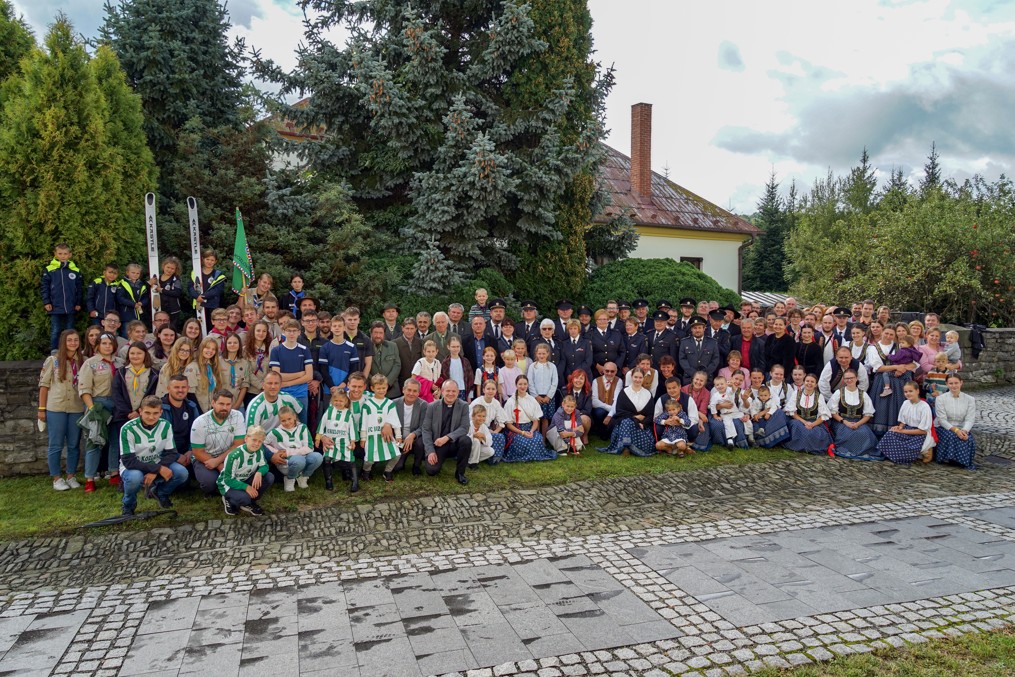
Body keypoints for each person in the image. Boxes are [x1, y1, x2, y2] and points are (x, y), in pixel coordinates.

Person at [119, 396, 189, 515]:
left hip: (157, 462)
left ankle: (160, 492)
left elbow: (172, 453)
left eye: (155, 413)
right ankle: (128, 504)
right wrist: (158, 469)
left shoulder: (166, 425)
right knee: (134, 478)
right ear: (140, 411)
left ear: (161, 412)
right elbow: (129, 461)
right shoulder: (128, 428)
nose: (151, 417)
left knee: (182, 473)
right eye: (147, 413)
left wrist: (155, 470)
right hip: (134, 466)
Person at [38, 329, 85, 490]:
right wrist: (41, 409)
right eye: (69, 340)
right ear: (63, 342)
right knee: (56, 444)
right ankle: (57, 478)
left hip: (76, 407)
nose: (73, 343)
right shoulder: (53, 360)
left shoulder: (83, 361)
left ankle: (71, 476)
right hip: (56, 407)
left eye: (76, 340)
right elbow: (44, 386)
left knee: (74, 444)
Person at [110, 342, 160, 479]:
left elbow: (153, 394)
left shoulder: (153, 374)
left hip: (145, 415)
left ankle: (146, 473)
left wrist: (139, 412)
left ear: (145, 355)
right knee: (125, 446)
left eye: (139, 353)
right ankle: (124, 475)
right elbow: (117, 394)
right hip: (124, 416)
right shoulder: (121, 372)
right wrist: (128, 412)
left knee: (144, 445)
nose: (135, 356)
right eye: (132, 353)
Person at [79, 331, 118, 492]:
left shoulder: (120, 362)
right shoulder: (90, 363)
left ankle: (114, 472)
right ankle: (90, 478)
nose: (108, 346)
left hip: (116, 404)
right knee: (95, 440)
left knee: (115, 440)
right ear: (97, 346)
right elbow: (84, 389)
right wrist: (92, 409)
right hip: (98, 404)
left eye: (110, 343)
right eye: (104, 343)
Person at [190, 390, 246, 495]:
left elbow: (238, 444)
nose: (225, 407)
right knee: (209, 482)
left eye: (228, 404)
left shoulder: (238, 416)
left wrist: (219, 461)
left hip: (229, 456)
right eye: (221, 404)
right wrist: (219, 465)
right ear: (213, 403)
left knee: (245, 474)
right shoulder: (200, 422)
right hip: (205, 458)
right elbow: (198, 452)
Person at [421, 380, 472, 483]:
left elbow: (464, 427)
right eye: (448, 391)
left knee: (466, 440)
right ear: (442, 391)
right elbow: (426, 430)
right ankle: (433, 458)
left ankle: (460, 473)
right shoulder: (432, 406)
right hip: (438, 444)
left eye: (454, 391)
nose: (451, 394)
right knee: (431, 471)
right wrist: (430, 451)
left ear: (458, 392)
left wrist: (447, 437)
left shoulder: (464, 406)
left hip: (454, 443)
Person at [218, 426, 274, 516]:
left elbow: (264, 465)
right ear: (246, 438)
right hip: (229, 484)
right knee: (245, 498)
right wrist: (246, 487)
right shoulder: (234, 455)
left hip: (245, 478)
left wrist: (259, 472)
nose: (256, 444)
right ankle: (228, 498)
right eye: (254, 440)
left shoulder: (259, 450)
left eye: (260, 441)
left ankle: (250, 502)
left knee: (269, 477)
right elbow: (228, 480)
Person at [598, 368, 655, 456]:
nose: (638, 380)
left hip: (641, 426)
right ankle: (626, 446)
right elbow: (619, 411)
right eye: (635, 377)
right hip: (624, 427)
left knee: (647, 444)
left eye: (640, 377)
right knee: (626, 422)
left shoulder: (648, 394)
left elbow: (650, 414)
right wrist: (634, 417)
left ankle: (630, 447)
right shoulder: (624, 392)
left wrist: (643, 423)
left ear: (643, 378)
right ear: (631, 377)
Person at [828, 369, 881, 461]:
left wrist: (858, 424)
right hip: (841, 421)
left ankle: (861, 452)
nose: (849, 380)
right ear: (844, 380)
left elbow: (868, 415)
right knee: (847, 433)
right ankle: (847, 450)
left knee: (864, 433)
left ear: (856, 378)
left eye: (851, 378)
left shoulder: (863, 394)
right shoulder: (838, 393)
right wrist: (845, 422)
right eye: (847, 378)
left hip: (859, 421)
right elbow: (833, 413)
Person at [266, 405, 323, 491]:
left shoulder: (302, 427)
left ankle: (303, 477)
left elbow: (309, 447)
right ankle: (289, 478)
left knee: (317, 457)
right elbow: (263, 443)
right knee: (299, 460)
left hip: (302, 458)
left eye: (289, 419)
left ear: (294, 417)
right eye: (283, 420)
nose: (287, 422)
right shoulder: (275, 432)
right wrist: (276, 452)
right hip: (287, 463)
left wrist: (288, 452)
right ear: (279, 420)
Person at [877, 381, 935, 464]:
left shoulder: (924, 406)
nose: (908, 394)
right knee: (890, 434)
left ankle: (925, 451)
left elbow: (923, 431)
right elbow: (903, 422)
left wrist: (902, 431)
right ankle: (896, 455)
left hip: (919, 434)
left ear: (917, 391)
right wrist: (899, 427)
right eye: (906, 392)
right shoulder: (905, 403)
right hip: (907, 429)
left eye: (910, 391)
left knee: (910, 445)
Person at [269, 319, 314, 423]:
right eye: (289, 331)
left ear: (299, 332)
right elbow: (277, 376)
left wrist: (287, 383)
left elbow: (309, 376)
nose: (292, 333)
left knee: (301, 423)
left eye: (294, 331)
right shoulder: (276, 351)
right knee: (282, 422)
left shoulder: (304, 350)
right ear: (283, 332)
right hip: (282, 393)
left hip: (300, 394)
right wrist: (300, 374)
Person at [502, 375, 555, 462]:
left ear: (527, 385)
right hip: (516, 430)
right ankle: (528, 456)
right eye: (520, 384)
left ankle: (532, 456)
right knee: (522, 441)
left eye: (525, 384)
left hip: (530, 428)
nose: (523, 386)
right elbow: (508, 425)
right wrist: (522, 432)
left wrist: (531, 431)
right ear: (516, 385)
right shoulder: (510, 402)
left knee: (537, 439)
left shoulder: (532, 400)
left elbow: (535, 421)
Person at [359, 374, 402, 482]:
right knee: (369, 459)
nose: (381, 390)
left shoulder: (390, 404)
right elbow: (363, 423)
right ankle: (366, 471)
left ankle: (388, 471)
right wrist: (363, 438)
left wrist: (398, 436)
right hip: (372, 436)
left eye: (383, 388)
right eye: (378, 388)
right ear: (372, 388)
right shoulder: (367, 405)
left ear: (387, 387)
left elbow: (395, 421)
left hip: (386, 437)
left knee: (396, 455)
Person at [41, 243, 83, 351]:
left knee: (70, 330)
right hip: (55, 306)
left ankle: (70, 351)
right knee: (56, 330)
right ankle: (54, 351)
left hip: (71, 306)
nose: (63, 256)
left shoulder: (75, 270)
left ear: (70, 255)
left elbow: (79, 288)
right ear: (55, 254)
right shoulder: (49, 270)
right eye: (60, 253)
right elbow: (45, 287)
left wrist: (78, 303)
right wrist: (47, 302)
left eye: (65, 253)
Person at [317, 389, 358, 491]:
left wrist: (353, 441)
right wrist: (318, 438)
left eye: (341, 401)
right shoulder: (329, 411)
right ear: (332, 400)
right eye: (336, 400)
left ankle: (355, 482)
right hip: (330, 441)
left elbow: (352, 428)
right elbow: (322, 424)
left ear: (346, 401)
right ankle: (328, 482)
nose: (338, 403)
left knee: (350, 461)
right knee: (327, 459)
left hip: (344, 441)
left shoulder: (348, 413)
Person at [934, 374, 976, 469]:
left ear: (961, 383)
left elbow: (970, 419)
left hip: (962, 428)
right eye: (951, 383)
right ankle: (949, 458)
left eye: (956, 383)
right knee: (952, 436)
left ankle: (962, 461)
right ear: (947, 384)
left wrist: (964, 431)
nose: (954, 386)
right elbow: (942, 420)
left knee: (967, 439)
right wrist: (956, 431)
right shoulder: (940, 399)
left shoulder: (970, 399)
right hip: (943, 427)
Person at [784, 374, 833, 454]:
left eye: (812, 382)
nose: (809, 383)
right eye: (807, 381)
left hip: (814, 422)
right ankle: (804, 446)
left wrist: (812, 425)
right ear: (804, 382)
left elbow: (823, 416)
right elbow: (792, 413)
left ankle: (806, 447)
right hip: (799, 420)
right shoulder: (796, 393)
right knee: (797, 426)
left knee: (815, 432)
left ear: (816, 384)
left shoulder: (819, 396)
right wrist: (805, 422)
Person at [391, 378, 429, 476]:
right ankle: (402, 457)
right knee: (397, 467)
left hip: (415, 438)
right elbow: (390, 424)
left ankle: (416, 465)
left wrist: (412, 435)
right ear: (403, 390)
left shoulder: (423, 405)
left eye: (415, 391)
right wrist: (399, 440)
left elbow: (424, 426)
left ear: (418, 393)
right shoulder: (394, 403)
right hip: (399, 439)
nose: (411, 393)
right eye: (409, 390)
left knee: (421, 442)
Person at [319, 314, 360, 395]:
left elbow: (354, 369)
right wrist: (332, 386)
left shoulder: (351, 347)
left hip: (347, 389)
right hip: (330, 390)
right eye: (334, 326)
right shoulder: (325, 347)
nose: (337, 328)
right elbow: (323, 370)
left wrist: (343, 384)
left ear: (344, 328)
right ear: (331, 328)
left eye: (340, 326)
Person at [469, 379, 507, 462]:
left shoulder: (496, 403)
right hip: (475, 428)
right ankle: (472, 457)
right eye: (488, 389)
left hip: (487, 430)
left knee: (499, 436)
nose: (490, 391)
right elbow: (470, 419)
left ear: (496, 391)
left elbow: (502, 421)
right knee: (477, 440)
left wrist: (495, 431)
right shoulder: (477, 402)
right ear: (483, 390)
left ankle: (493, 459)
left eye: (493, 389)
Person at [189, 249, 227, 328]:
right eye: (207, 259)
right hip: (198, 304)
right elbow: (190, 287)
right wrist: (196, 296)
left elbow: (218, 290)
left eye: (212, 260)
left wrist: (203, 296)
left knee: (211, 326)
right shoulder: (196, 272)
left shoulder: (218, 275)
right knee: (199, 326)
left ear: (215, 261)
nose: (209, 262)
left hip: (212, 305)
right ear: (203, 259)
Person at [678, 316, 720, 386]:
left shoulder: (712, 342)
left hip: (707, 378)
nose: (697, 330)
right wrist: (694, 373)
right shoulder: (684, 342)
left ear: (704, 328)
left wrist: (704, 374)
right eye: (695, 328)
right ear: (691, 329)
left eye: (699, 328)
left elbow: (715, 359)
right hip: (689, 378)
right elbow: (682, 359)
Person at [184, 337, 221, 413]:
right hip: (197, 410)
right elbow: (190, 394)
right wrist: (199, 413)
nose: (210, 351)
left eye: (213, 349)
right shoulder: (192, 367)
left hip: (210, 410)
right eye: (207, 348)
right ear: (201, 348)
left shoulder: (212, 367)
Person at [368, 320, 401, 399]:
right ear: (371, 333)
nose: (378, 336)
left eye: (381, 333)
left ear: (384, 334)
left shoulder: (393, 346)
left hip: (392, 390)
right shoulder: (366, 346)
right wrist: (374, 383)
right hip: (371, 390)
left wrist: (387, 383)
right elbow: (363, 367)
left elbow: (397, 365)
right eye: (375, 333)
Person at [560, 369, 593, 445]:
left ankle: (584, 435)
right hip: (566, 414)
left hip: (581, 415)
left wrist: (575, 415)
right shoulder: (564, 391)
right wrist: (570, 413)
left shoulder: (588, 392)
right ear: (572, 379)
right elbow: (561, 407)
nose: (578, 380)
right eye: (576, 378)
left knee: (585, 419)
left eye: (581, 378)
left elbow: (587, 410)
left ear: (585, 381)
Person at [151, 256, 184, 329]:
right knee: (160, 328)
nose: (169, 270)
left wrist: (162, 290)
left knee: (172, 329)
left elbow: (177, 293)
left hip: (172, 310)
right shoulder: (157, 278)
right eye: (168, 267)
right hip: (159, 308)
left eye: (172, 268)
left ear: (175, 270)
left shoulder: (176, 279)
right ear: (163, 266)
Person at [243, 321, 271, 406]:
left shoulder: (271, 349)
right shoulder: (245, 350)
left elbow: (272, 369)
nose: (261, 333)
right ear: (253, 332)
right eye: (258, 330)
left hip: (268, 390)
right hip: (251, 391)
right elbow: (247, 372)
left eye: (264, 331)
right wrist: (261, 385)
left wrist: (267, 385)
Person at [590, 361, 620, 438]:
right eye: (607, 371)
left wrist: (610, 414)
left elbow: (617, 400)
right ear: (603, 370)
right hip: (601, 409)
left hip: (613, 408)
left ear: (616, 371)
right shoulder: (596, 381)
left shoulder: (619, 381)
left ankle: (609, 431)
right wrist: (610, 408)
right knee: (599, 412)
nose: (609, 373)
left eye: (612, 371)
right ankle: (600, 429)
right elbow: (594, 401)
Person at [218, 334, 249, 408]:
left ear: (239, 345)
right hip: (220, 404)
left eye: (235, 343)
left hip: (238, 404)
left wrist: (236, 405)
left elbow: (244, 385)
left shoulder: (244, 363)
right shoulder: (218, 361)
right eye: (229, 343)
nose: (232, 345)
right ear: (225, 345)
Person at [439, 334, 473, 400]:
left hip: (463, 390)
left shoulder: (465, 362)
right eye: (453, 347)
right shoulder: (445, 363)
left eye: (457, 346)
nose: (456, 349)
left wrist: (470, 396)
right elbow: (443, 379)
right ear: (448, 347)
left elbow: (470, 378)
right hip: (450, 391)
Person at [87, 263, 120, 328]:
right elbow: (90, 298)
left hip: (111, 316)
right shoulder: (97, 282)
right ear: (104, 272)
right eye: (110, 272)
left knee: (109, 331)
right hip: (97, 314)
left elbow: (118, 301)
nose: (112, 275)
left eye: (115, 273)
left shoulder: (117, 285)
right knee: (98, 331)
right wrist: (91, 310)